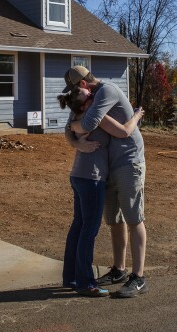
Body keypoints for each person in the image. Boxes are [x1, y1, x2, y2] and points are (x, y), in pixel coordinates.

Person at [63, 65, 149, 298]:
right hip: (107, 166)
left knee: (133, 217)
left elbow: (89, 124)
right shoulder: (88, 101)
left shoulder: (106, 92)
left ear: (82, 85)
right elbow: (71, 122)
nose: (75, 96)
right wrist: (76, 141)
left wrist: (74, 129)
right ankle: (119, 270)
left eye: (74, 90)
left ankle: (139, 277)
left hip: (128, 160)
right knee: (115, 220)